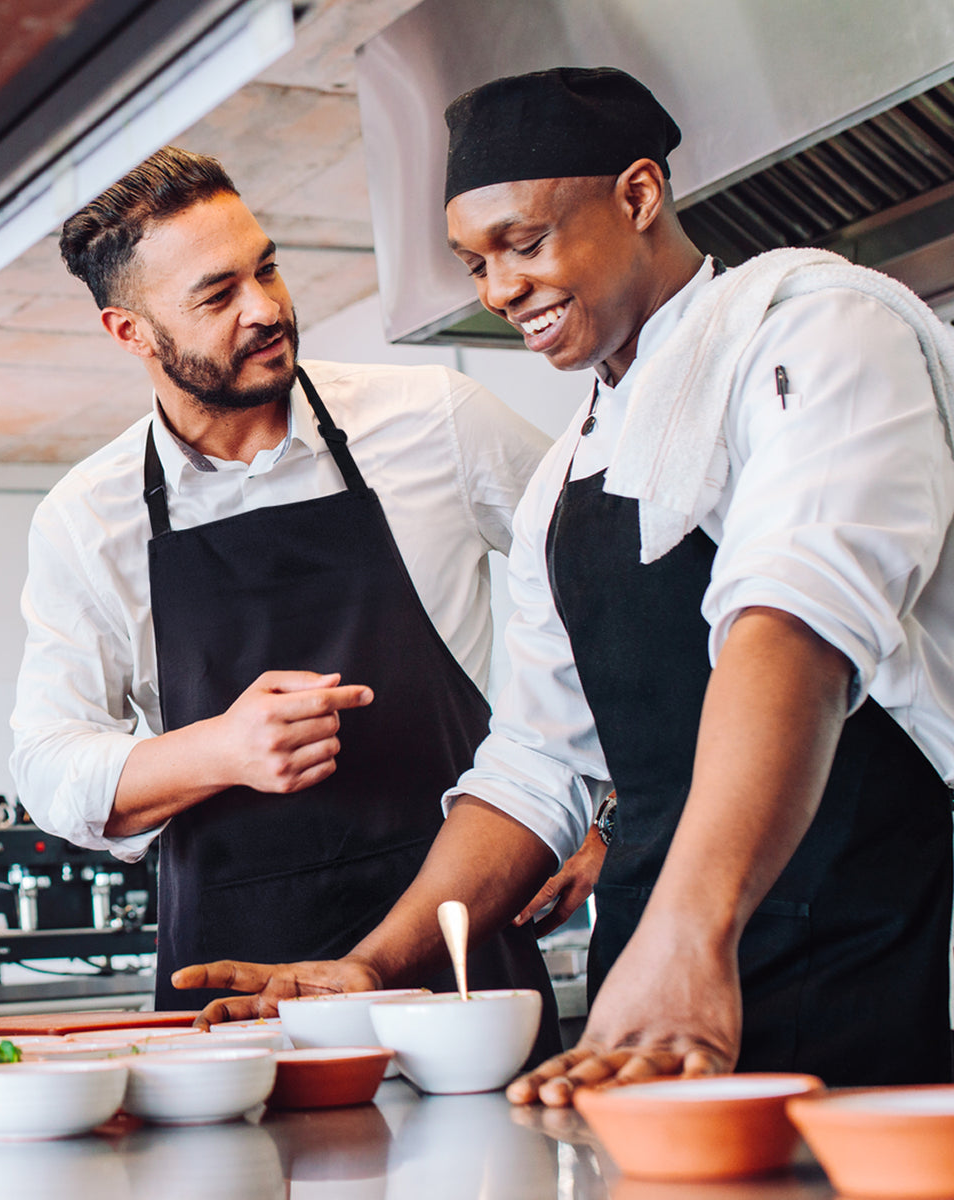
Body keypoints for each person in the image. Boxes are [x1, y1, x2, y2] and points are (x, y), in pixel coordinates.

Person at [173, 67, 954, 1101]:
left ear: (637, 196)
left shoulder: (821, 333)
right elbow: (536, 768)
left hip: (877, 957)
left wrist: (690, 931)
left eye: (523, 243)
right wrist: (375, 961)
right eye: (473, 263)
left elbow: (794, 628)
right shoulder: (562, 479)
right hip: (659, 1001)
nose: (497, 291)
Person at [8, 146, 560, 1042]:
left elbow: (609, 591)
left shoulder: (436, 421)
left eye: (266, 268)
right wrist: (220, 749)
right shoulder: (86, 518)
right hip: (235, 996)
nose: (266, 309)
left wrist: (603, 811)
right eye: (217, 295)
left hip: (454, 958)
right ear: (130, 332)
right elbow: (45, 766)